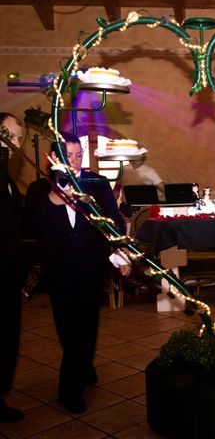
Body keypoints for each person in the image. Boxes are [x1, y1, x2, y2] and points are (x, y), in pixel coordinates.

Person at [24, 132, 131, 414]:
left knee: (88, 323)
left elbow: (113, 222)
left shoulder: (96, 182)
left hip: (90, 265)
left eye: (78, 154)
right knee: (68, 328)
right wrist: (54, 199)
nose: (74, 161)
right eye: (68, 155)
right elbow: (31, 228)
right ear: (55, 159)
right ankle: (70, 388)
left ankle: (82, 367)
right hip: (58, 270)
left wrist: (121, 253)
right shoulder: (39, 189)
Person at [0, 113, 25, 422]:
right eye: (14, 137)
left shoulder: (6, 174)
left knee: (7, 338)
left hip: (8, 273)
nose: (18, 144)